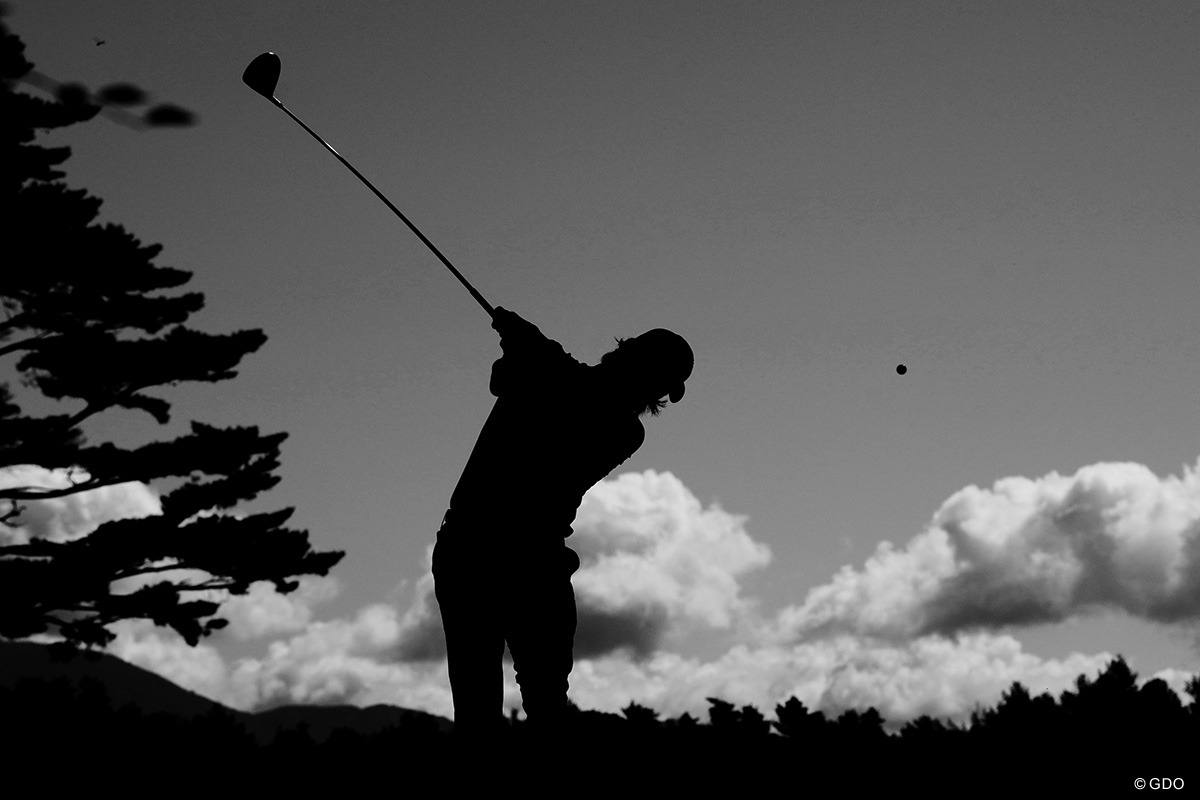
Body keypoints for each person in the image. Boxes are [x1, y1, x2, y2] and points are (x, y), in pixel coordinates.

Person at [433, 306, 693, 742]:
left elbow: (569, 389)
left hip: (484, 556)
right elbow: (521, 380)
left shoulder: (619, 428)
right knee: (521, 708)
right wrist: (530, 345)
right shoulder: (554, 377)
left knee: (523, 708)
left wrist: (529, 344)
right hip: (513, 561)